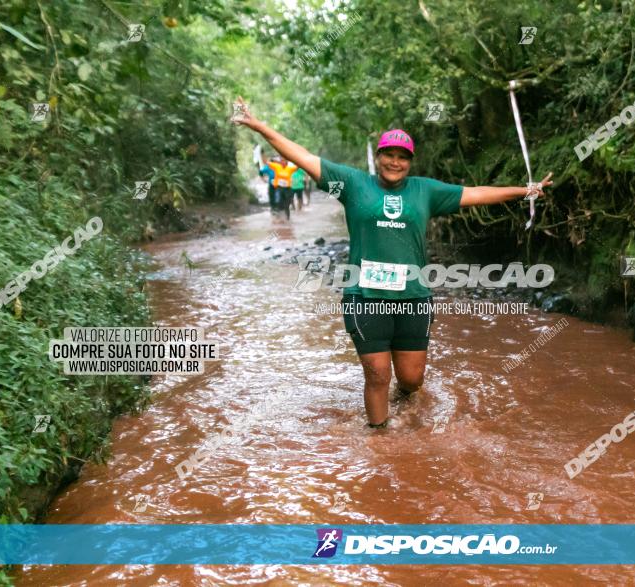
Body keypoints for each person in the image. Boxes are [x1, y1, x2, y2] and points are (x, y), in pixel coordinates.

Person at [232, 96, 552, 428]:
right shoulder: (352, 184)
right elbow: (301, 156)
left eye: (402, 157)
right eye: (389, 155)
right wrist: (260, 127)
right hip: (365, 298)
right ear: (379, 157)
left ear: (410, 162)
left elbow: (476, 193)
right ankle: (379, 440)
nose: (395, 162)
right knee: (377, 376)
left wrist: (524, 191)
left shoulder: (425, 191)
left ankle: (404, 402)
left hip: (413, 298)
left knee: (412, 380)